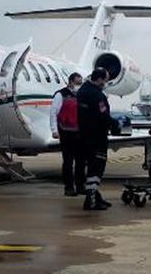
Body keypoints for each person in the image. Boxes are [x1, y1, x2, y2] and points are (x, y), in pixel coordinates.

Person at [77, 67, 120, 210]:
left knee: (90, 167)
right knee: (96, 168)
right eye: (105, 80)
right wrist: (115, 124)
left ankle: (95, 196)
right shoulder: (97, 95)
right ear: (100, 79)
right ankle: (91, 200)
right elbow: (102, 116)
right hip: (97, 137)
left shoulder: (82, 91)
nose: (106, 83)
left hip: (83, 135)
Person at [50, 72, 85, 196]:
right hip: (66, 133)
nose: (78, 85)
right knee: (68, 161)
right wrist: (54, 130)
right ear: (70, 82)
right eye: (77, 83)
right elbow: (53, 112)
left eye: (80, 83)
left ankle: (81, 186)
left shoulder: (82, 95)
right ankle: (69, 187)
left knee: (81, 161)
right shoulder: (61, 95)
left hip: (80, 133)